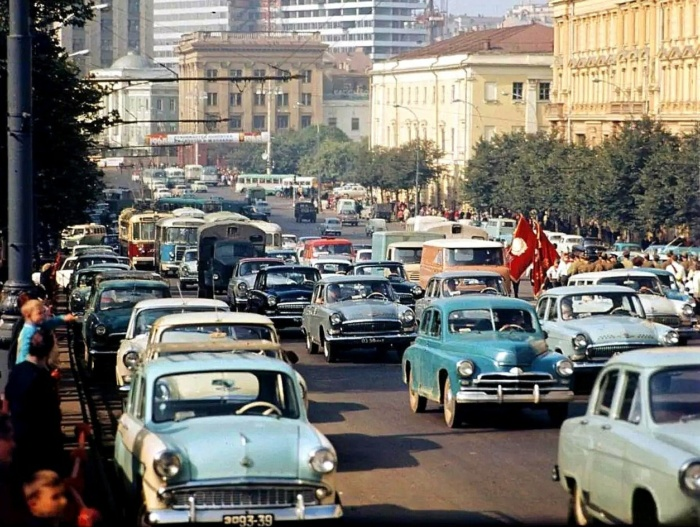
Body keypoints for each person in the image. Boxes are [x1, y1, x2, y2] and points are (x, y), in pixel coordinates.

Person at [5, 329, 66, 478]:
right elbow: (51, 419)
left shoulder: (17, 371)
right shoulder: (43, 379)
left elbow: (8, 399)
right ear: (49, 351)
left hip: (18, 442)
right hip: (39, 450)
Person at [16, 300, 76, 365]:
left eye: (43, 312)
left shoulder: (37, 325)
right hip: (28, 365)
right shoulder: (28, 332)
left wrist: (63, 318)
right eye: (39, 313)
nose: (43, 316)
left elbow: (50, 322)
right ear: (28, 315)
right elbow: (25, 352)